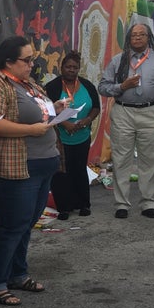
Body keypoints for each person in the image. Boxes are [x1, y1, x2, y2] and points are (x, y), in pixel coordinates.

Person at [0, 35, 62, 306]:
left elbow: (38, 115)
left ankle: (18, 274)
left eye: (32, 59)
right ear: (8, 62)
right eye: (26, 60)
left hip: (42, 163)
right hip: (14, 166)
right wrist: (31, 130)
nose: (31, 64)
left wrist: (55, 109)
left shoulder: (29, 84)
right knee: (13, 224)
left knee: (25, 224)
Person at [98, 23, 154, 219]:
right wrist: (121, 86)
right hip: (124, 113)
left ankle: (149, 203)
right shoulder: (118, 60)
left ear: (149, 37)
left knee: (150, 160)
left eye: (142, 34)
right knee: (122, 159)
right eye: (134, 35)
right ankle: (121, 204)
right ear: (129, 39)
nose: (138, 38)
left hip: (151, 112)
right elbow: (103, 87)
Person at [46, 51, 100, 219]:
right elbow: (46, 110)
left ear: (79, 69)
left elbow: (96, 107)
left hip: (82, 135)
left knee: (79, 170)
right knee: (61, 172)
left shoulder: (87, 85)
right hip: (60, 138)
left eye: (75, 67)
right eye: (68, 67)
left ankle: (83, 204)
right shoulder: (52, 87)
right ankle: (64, 207)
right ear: (61, 67)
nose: (71, 70)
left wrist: (87, 120)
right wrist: (65, 124)